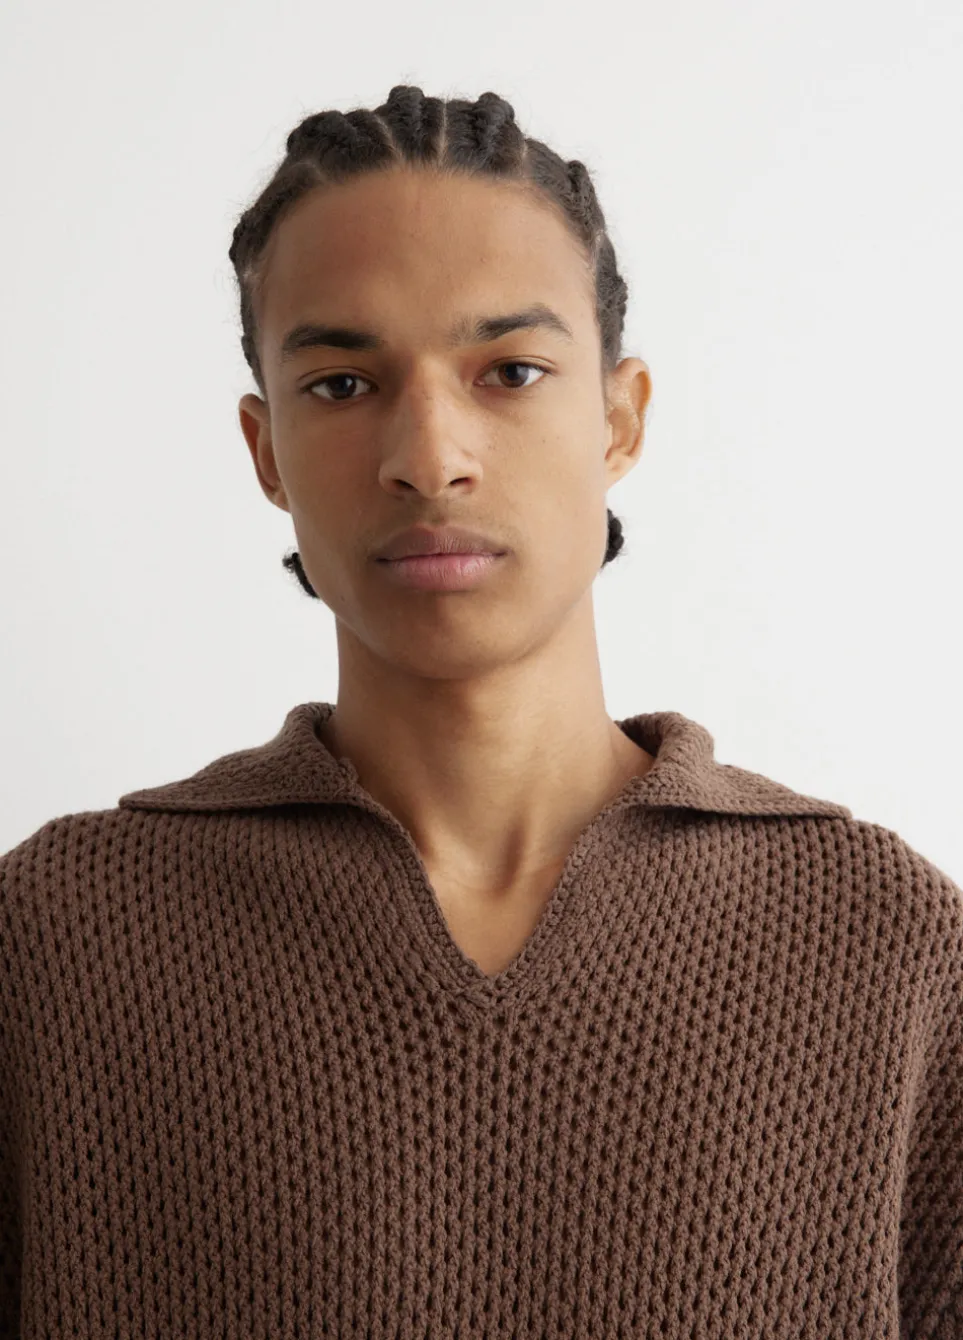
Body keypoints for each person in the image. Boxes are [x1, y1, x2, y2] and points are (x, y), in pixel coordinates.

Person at [1, 86, 960, 1339]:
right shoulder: (56, 940)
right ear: (265, 450)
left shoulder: (883, 943)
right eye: (343, 383)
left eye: (510, 371)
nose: (429, 455)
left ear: (619, 418)